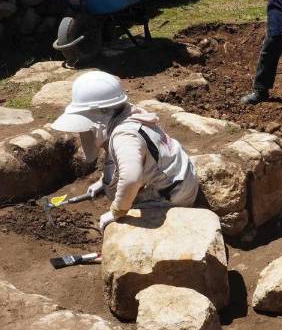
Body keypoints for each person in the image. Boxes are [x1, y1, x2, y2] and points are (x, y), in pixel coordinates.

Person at [50, 71, 199, 231]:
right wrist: (103, 181)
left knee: (118, 197)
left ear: (100, 114)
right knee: (114, 186)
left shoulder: (125, 135)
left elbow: (130, 179)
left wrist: (117, 211)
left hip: (174, 194)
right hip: (180, 178)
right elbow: (126, 157)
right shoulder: (129, 113)